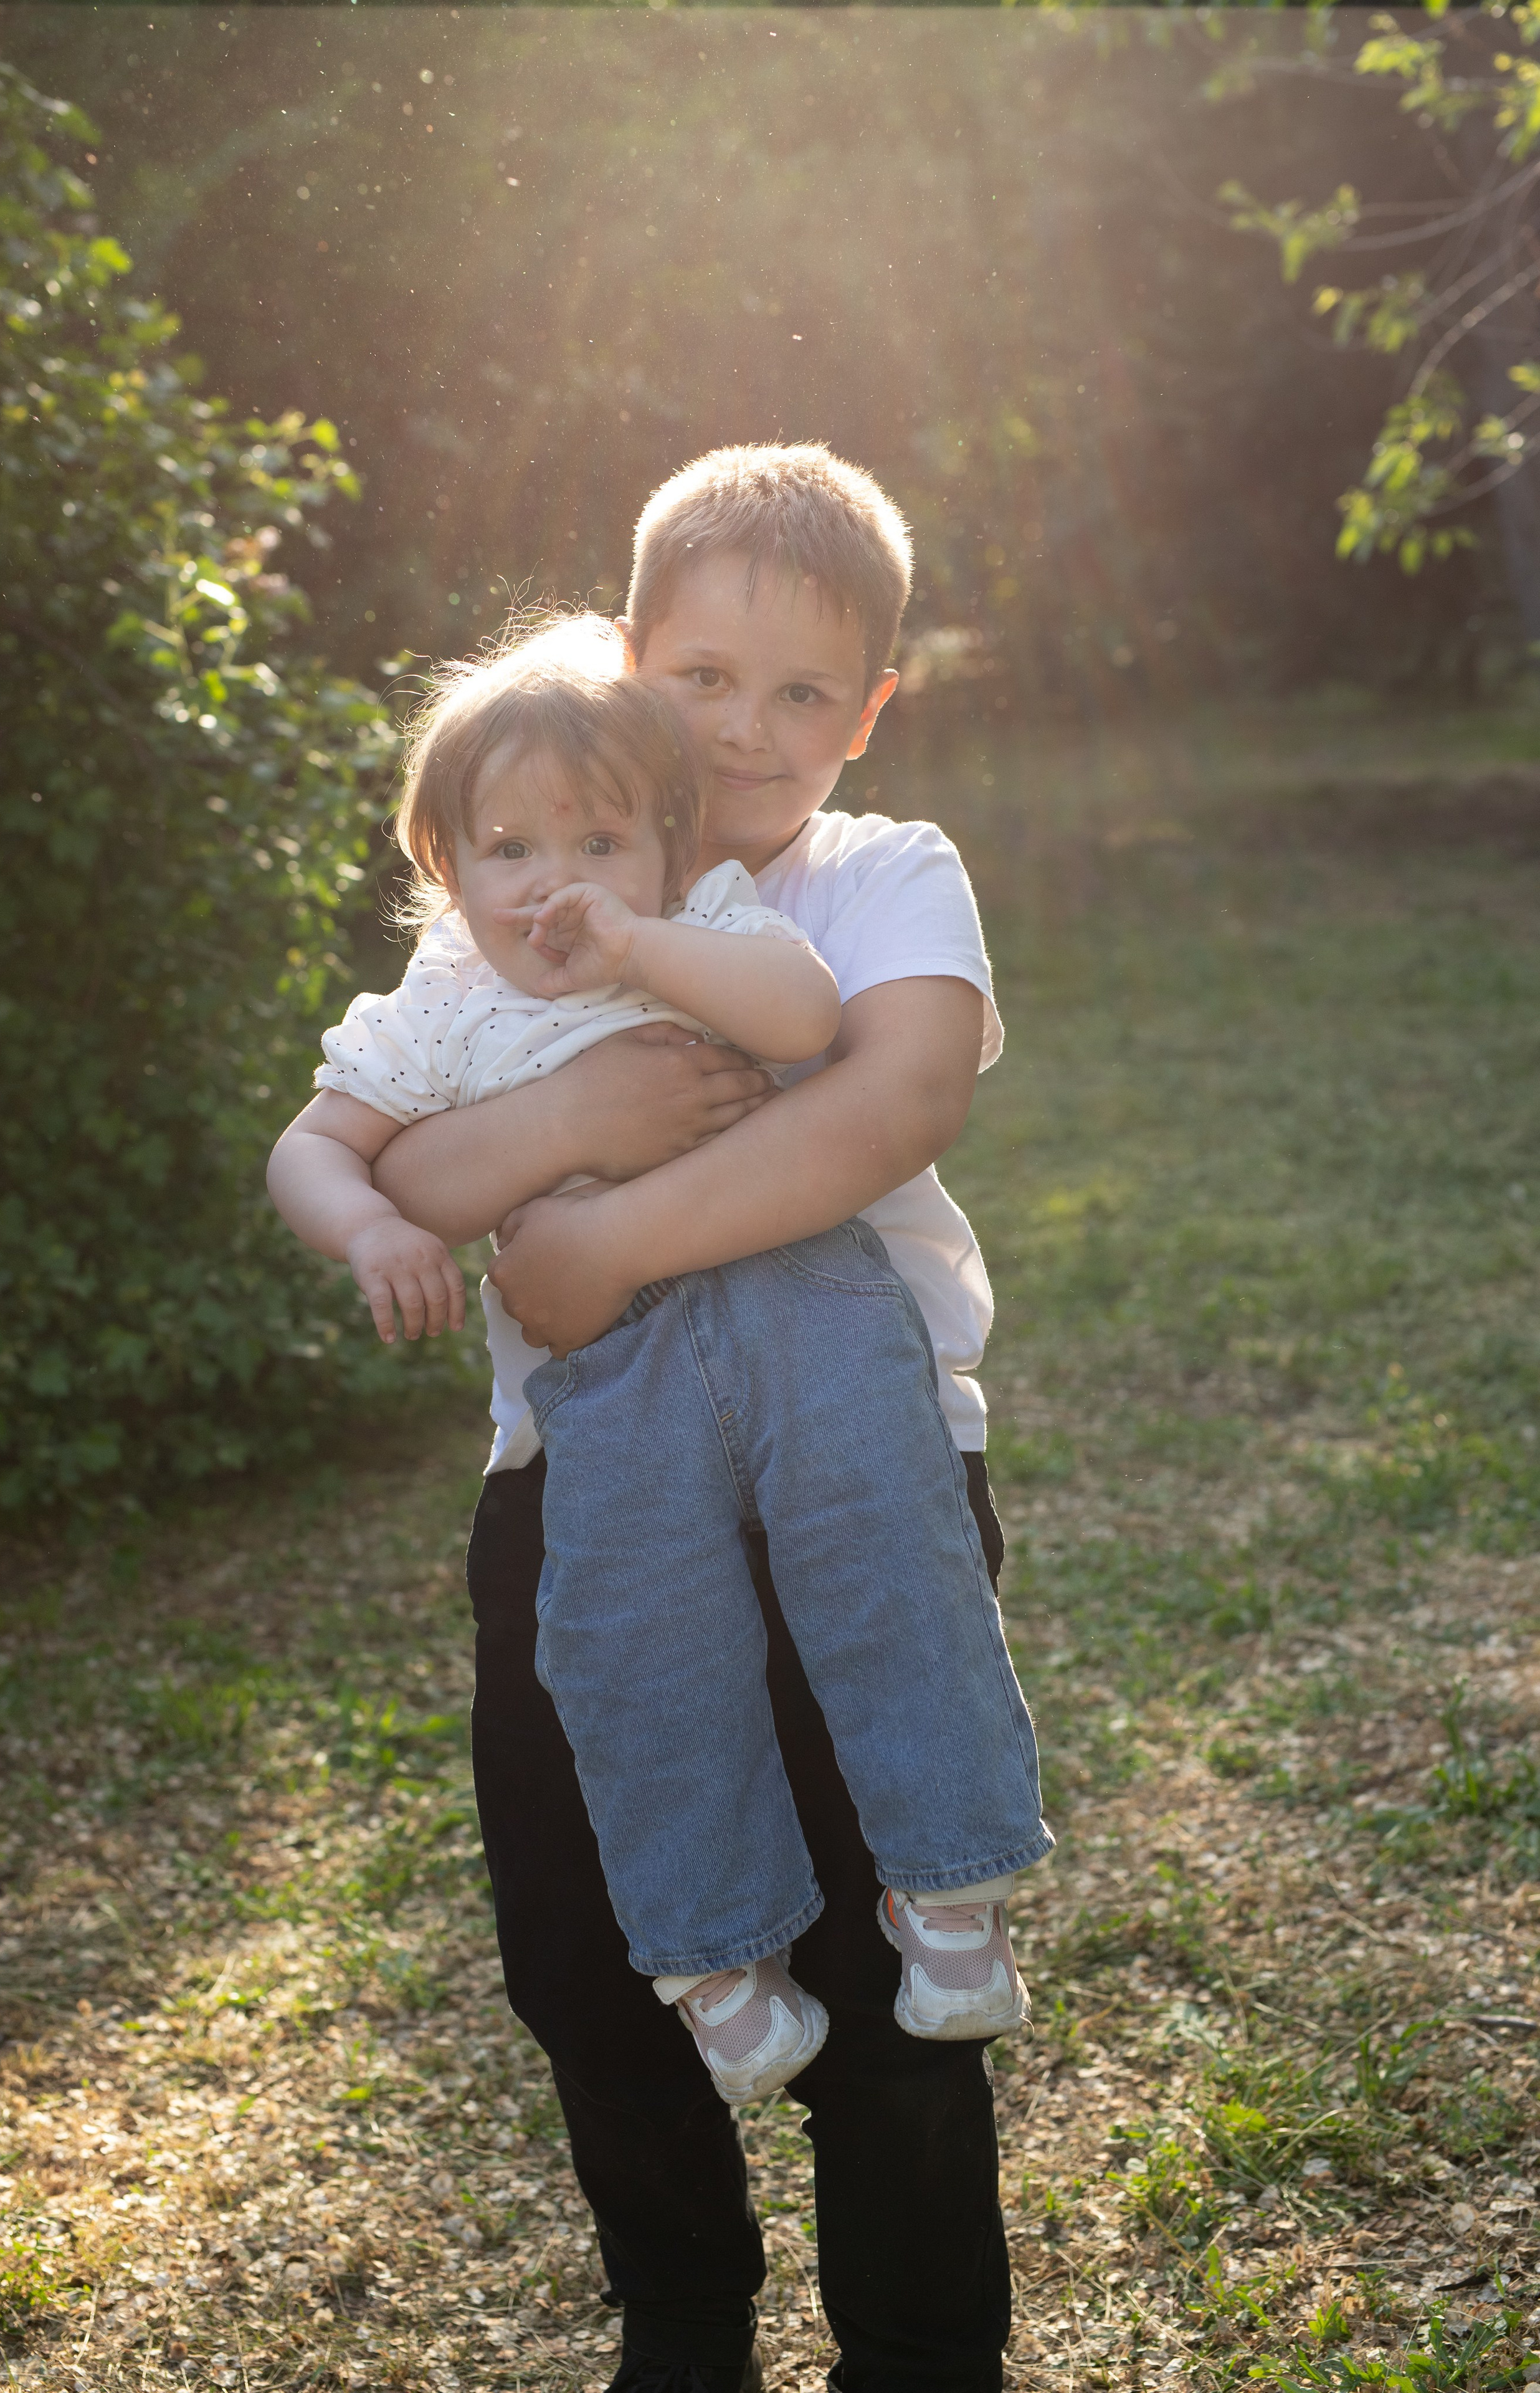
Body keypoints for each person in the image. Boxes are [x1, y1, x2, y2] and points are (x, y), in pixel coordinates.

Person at [368, 445, 1035, 2393]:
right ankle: (682, 2326)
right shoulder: (532, 888)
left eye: (802, 691)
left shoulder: (884, 872)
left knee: (883, 1975)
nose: (747, 729)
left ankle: (921, 2350)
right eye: (705, 677)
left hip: (860, 1471)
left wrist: (600, 1242)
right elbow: (401, 1158)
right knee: (588, 1964)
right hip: (575, 1482)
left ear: (870, 710)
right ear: (626, 651)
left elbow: (888, 1103)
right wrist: (574, 1118)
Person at [267, 620, 1051, 2125]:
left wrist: (641, 943)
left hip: (805, 1306)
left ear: (665, 843)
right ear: (442, 863)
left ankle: (949, 1884)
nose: (554, 881)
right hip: (614, 1368)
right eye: (509, 848)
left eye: (599, 842)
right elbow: (315, 1147)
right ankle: (714, 1957)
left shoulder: (702, 917)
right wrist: (371, 1229)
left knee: (887, 1565)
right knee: (641, 1647)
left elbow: (806, 1019)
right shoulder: (440, 1004)